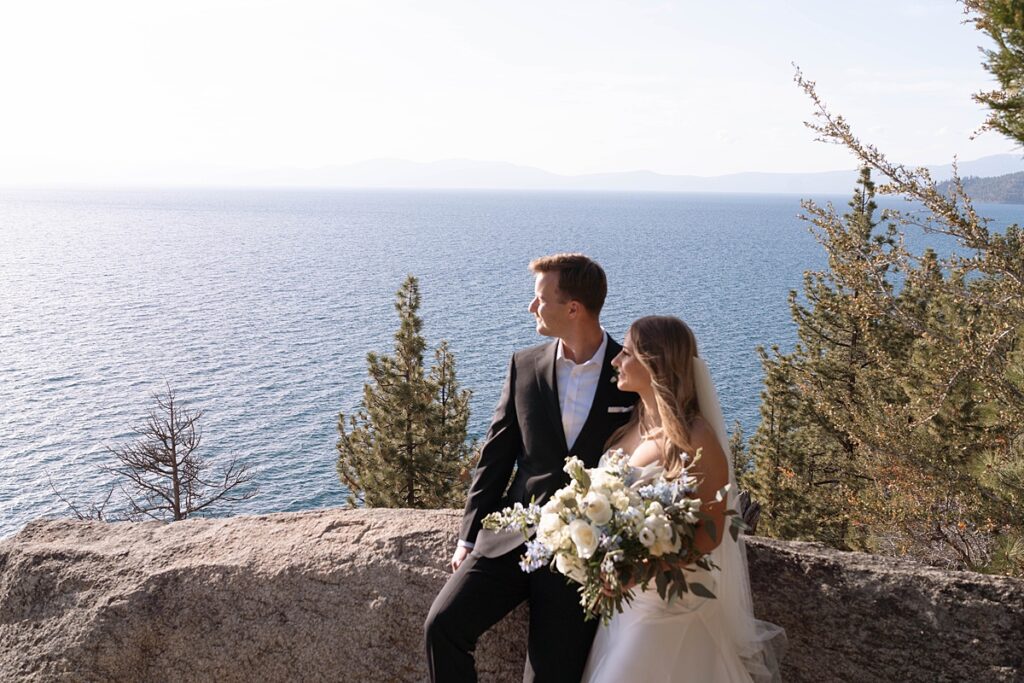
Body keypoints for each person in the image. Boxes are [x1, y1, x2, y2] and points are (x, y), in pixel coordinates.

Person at [424, 253, 638, 683]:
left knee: (549, 676)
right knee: (442, 627)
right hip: (512, 536)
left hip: (583, 553)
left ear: (573, 307)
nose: (531, 307)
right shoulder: (523, 365)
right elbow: (495, 457)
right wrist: (468, 536)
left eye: (540, 298)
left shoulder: (629, 372)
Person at [580, 315, 786, 683]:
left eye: (626, 354)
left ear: (653, 363)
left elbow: (709, 535)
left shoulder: (695, 437)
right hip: (626, 608)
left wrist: (637, 572)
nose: (615, 361)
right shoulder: (634, 424)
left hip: (669, 607)